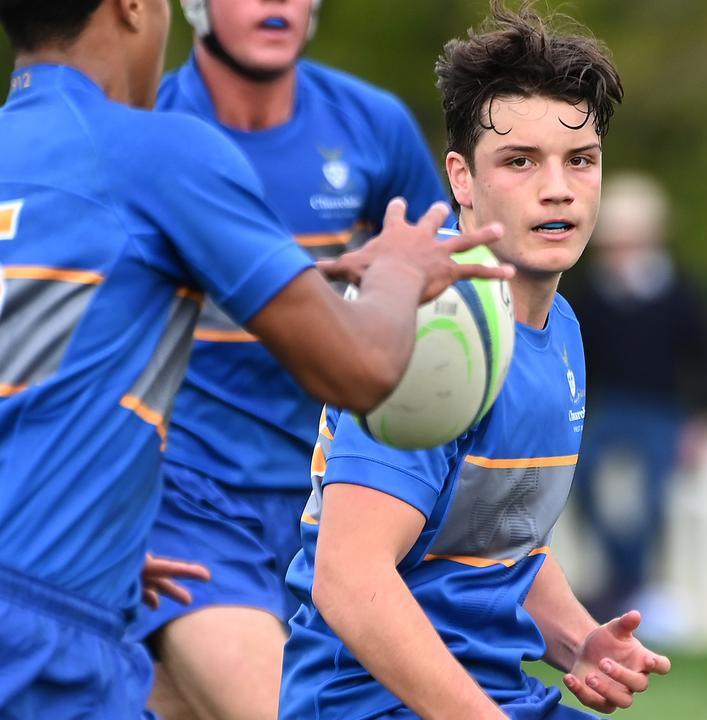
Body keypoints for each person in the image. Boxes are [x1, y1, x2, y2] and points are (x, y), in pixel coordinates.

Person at [0, 0, 509, 715]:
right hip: (67, 611)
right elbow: (358, 370)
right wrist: (398, 271)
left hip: (82, 577)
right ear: (136, 6)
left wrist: (80, 529)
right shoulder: (158, 149)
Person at [279, 3, 671, 717]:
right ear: (462, 178)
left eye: (580, 160)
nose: (558, 187)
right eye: (520, 161)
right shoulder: (430, 335)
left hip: (497, 691)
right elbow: (348, 576)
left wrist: (579, 639)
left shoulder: (563, 329)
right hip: (369, 704)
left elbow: (497, 540)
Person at [128, 1, 456, 716]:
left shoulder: (373, 126)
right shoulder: (145, 127)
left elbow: (448, 300)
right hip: (184, 498)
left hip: (336, 505)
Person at [570, 171, 707, 627]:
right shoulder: (591, 297)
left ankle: (631, 583)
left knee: (653, 500)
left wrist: (706, 420)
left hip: (662, 412)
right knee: (579, 482)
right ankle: (622, 576)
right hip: (608, 409)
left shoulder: (680, 294)